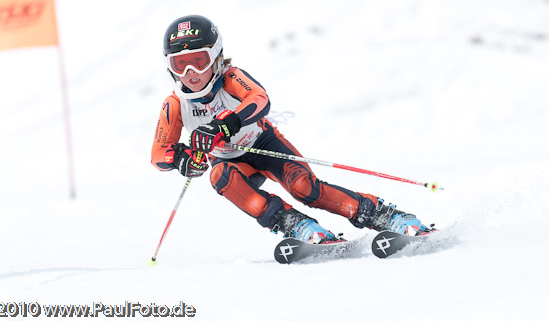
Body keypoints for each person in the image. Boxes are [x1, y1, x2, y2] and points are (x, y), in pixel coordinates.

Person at [151, 15, 433, 244]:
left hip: (263, 144)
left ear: (215, 57)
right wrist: (182, 160)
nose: (190, 72)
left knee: (305, 188)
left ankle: (383, 215)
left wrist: (227, 124)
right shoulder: (175, 105)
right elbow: (158, 154)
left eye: (198, 60)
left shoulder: (231, 78)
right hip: (230, 161)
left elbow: (260, 100)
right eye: (180, 64)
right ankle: (296, 225)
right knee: (219, 176)